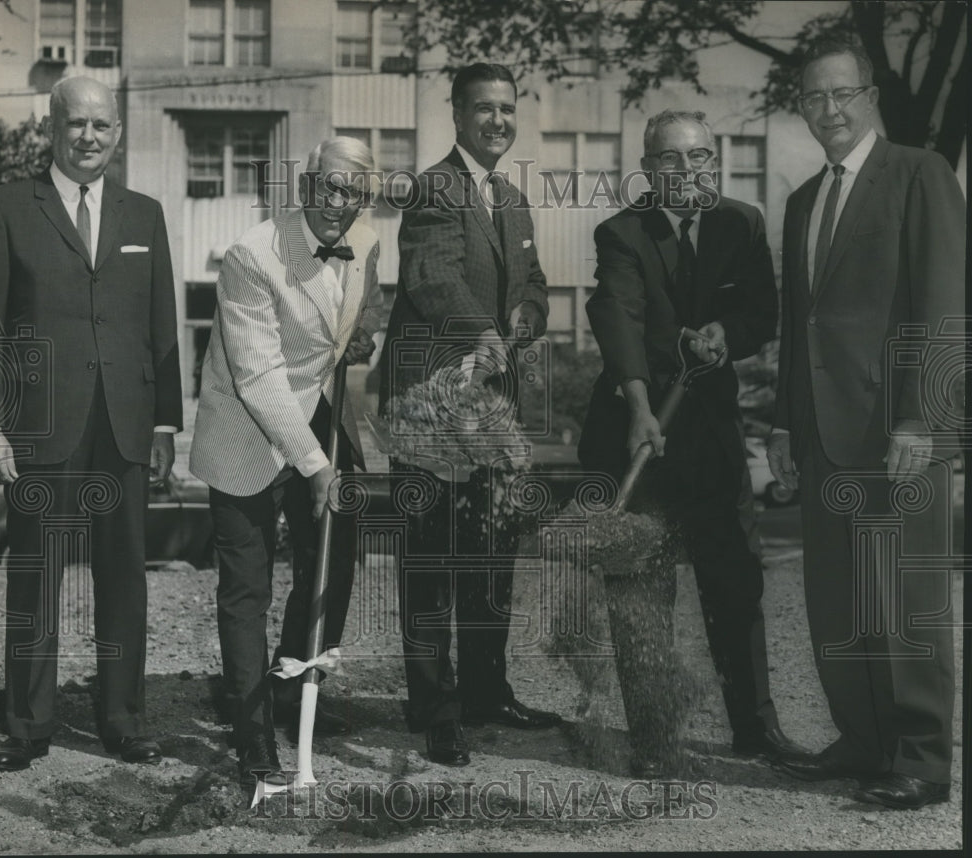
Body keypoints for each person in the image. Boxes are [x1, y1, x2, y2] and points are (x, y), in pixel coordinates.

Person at [580, 109, 809, 771]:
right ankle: (654, 742)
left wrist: (726, 334)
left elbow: (760, 313)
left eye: (700, 156)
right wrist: (640, 404)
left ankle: (755, 729)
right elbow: (619, 315)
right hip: (639, 428)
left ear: (715, 161)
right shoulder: (620, 232)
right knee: (641, 591)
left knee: (735, 580)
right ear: (648, 169)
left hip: (712, 435)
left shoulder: (742, 223)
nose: (688, 171)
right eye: (671, 159)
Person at [767, 39, 963, 809]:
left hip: (896, 434)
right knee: (839, 601)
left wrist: (923, 420)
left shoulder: (921, 173)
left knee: (903, 602)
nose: (829, 109)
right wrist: (785, 426)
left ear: (870, 96)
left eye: (842, 93)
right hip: (821, 436)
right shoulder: (802, 202)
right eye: (814, 97)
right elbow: (800, 327)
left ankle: (922, 759)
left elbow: (945, 303)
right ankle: (862, 739)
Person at [0, 76, 183, 771]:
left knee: (124, 578)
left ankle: (122, 720)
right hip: (42, 426)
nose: (88, 137)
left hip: (124, 424)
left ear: (117, 133)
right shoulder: (5, 207)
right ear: (51, 130)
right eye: (75, 124)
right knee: (37, 575)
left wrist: (164, 425)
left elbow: (161, 324)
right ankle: (27, 725)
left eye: (101, 125)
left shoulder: (144, 214)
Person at [378, 62, 558, 767]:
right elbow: (433, 277)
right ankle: (436, 709)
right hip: (431, 409)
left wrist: (527, 314)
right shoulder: (435, 187)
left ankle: (486, 693)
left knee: (490, 554)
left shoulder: (511, 198)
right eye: (484, 108)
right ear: (457, 115)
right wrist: (483, 330)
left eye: (507, 108)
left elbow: (533, 281)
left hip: (493, 412)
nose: (498, 120)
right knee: (431, 559)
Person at [188, 137, 382, 788]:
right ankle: (254, 742)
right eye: (329, 186)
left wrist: (358, 334)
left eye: (353, 193)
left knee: (331, 567)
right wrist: (315, 465)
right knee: (247, 590)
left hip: (322, 415)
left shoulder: (366, 244)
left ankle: (293, 691)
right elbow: (259, 376)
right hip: (246, 428)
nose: (339, 202)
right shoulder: (252, 253)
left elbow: (351, 315)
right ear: (305, 186)